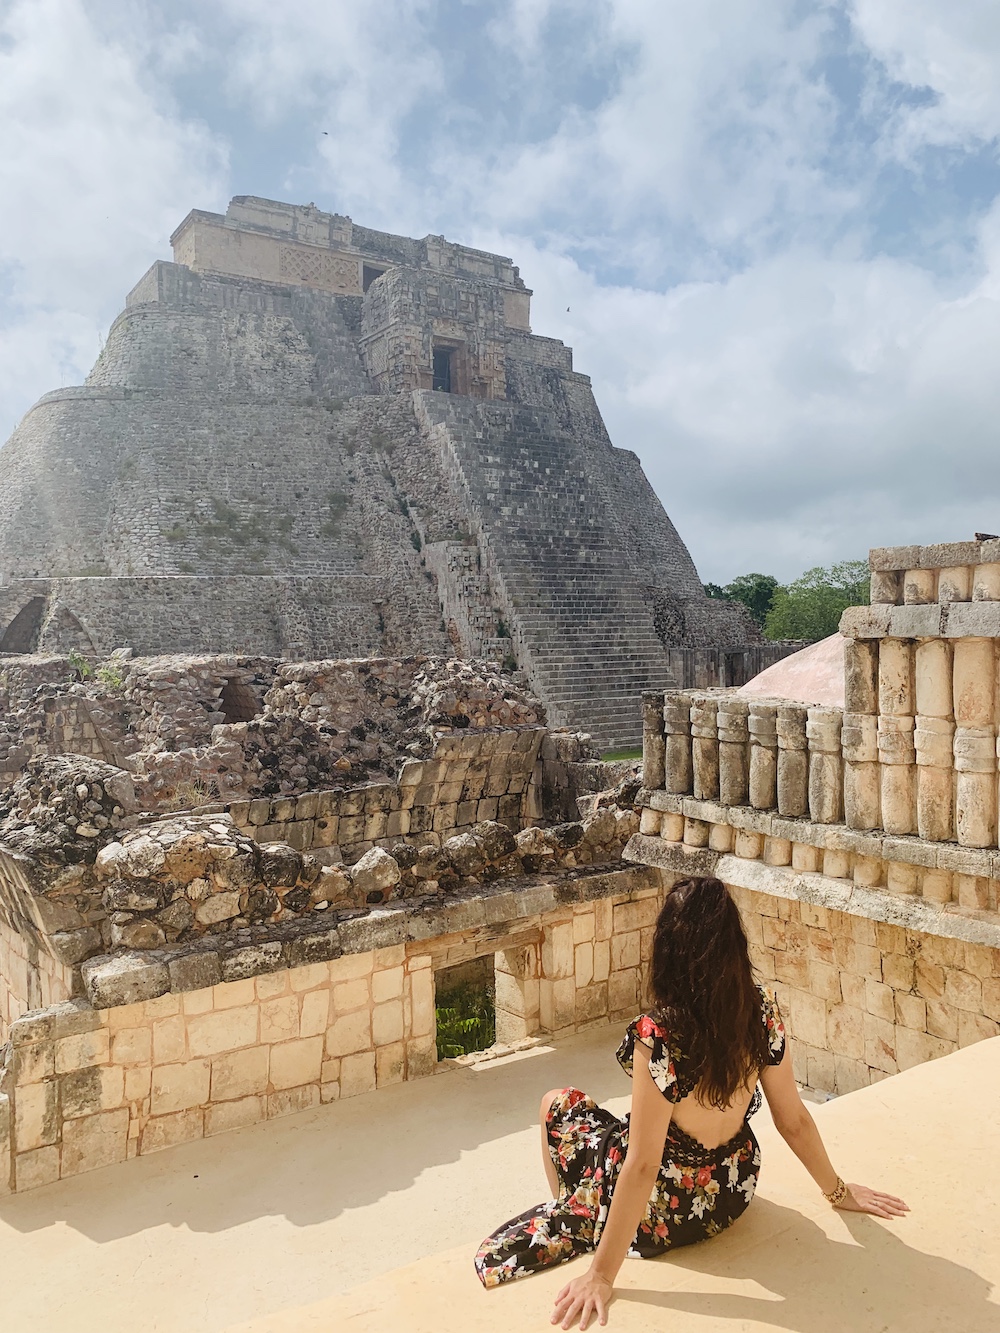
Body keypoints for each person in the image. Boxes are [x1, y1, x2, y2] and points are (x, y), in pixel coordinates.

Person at [474, 876, 908, 1329]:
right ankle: (593, 1211)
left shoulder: (659, 1037)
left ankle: (582, 1211)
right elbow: (793, 1120)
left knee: (559, 1103)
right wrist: (838, 1191)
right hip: (732, 1191)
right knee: (607, 1127)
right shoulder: (761, 1011)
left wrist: (601, 1275)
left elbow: (643, 1164)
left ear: (669, 952)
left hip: (668, 1212)